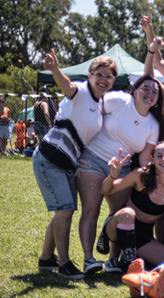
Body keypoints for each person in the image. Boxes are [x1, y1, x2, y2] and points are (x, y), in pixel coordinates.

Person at [33, 50, 116, 279]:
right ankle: (65, 264)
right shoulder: (80, 91)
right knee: (65, 211)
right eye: (99, 74)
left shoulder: (100, 105)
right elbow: (67, 86)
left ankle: (47, 258)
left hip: (68, 163)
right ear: (89, 76)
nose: (103, 79)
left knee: (64, 210)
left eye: (108, 76)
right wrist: (55, 70)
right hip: (50, 158)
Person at [77, 75, 164, 273]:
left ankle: (112, 260)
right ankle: (89, 259)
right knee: (91, 210)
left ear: (157, 100)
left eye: (154, 91)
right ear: (135, 91)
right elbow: (91, 112)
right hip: (92, 159)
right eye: (146, 88)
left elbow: (144, 158)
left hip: (121, 169)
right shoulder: (119, 100)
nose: (150, 93)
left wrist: (152, 177)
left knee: (122, 214)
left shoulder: (153, 125)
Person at [100, 143, 164, 272]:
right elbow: (106, 190)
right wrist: (113, 175)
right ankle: (127, 262)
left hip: (144, 236)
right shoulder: (141, 175)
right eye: (159, 156)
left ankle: (134, 258)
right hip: (119, 225)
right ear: (152, 159)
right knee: (128, 214)